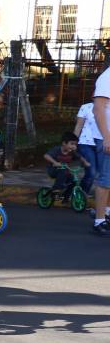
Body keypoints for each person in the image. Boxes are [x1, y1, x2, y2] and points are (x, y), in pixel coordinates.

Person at [88, 64, 110, 235]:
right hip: (106, 136)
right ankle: (99, 221)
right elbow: (98, 108)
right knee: (106, 179)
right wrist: (107, 137)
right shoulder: (107, 77)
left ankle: (107, 213)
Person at [74, 97, 103, 197]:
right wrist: (73, 142)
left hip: (102, 144)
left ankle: (82, 192)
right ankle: (82, 194)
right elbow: (78, 126)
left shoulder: (107, 109)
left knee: (101, 172)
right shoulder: (86, 107)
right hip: (85, 143)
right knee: (92, 171)